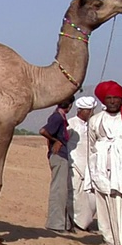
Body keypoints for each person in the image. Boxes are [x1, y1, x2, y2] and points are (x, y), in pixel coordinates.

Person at [87, 81, 122, 245]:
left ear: (121, 100)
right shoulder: (95, 120)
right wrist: (91, 178)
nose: (112, 101)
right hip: (102, 177)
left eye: (116, 98)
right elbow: (90, 149)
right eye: (109, 98)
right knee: (106, 219)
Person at [39, 95, 75, 233]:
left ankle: (63, 223)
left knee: (62, 190)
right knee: (58, 190)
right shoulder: (57, 117)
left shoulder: (60, 117)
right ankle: (55, 224)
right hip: (58, 155)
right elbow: (43, 131)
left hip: (61, 156)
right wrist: (57, 141)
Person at [67, 96, 97, 231]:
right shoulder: (71, 124)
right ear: (81, 110)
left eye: (92, 110)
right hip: (75, 165)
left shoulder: (93, 124)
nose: (91, 113)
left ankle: (85, 222)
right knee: (76, 195)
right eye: (88, 110)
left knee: (92, 197)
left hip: (90, 166)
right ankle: (76, 223)